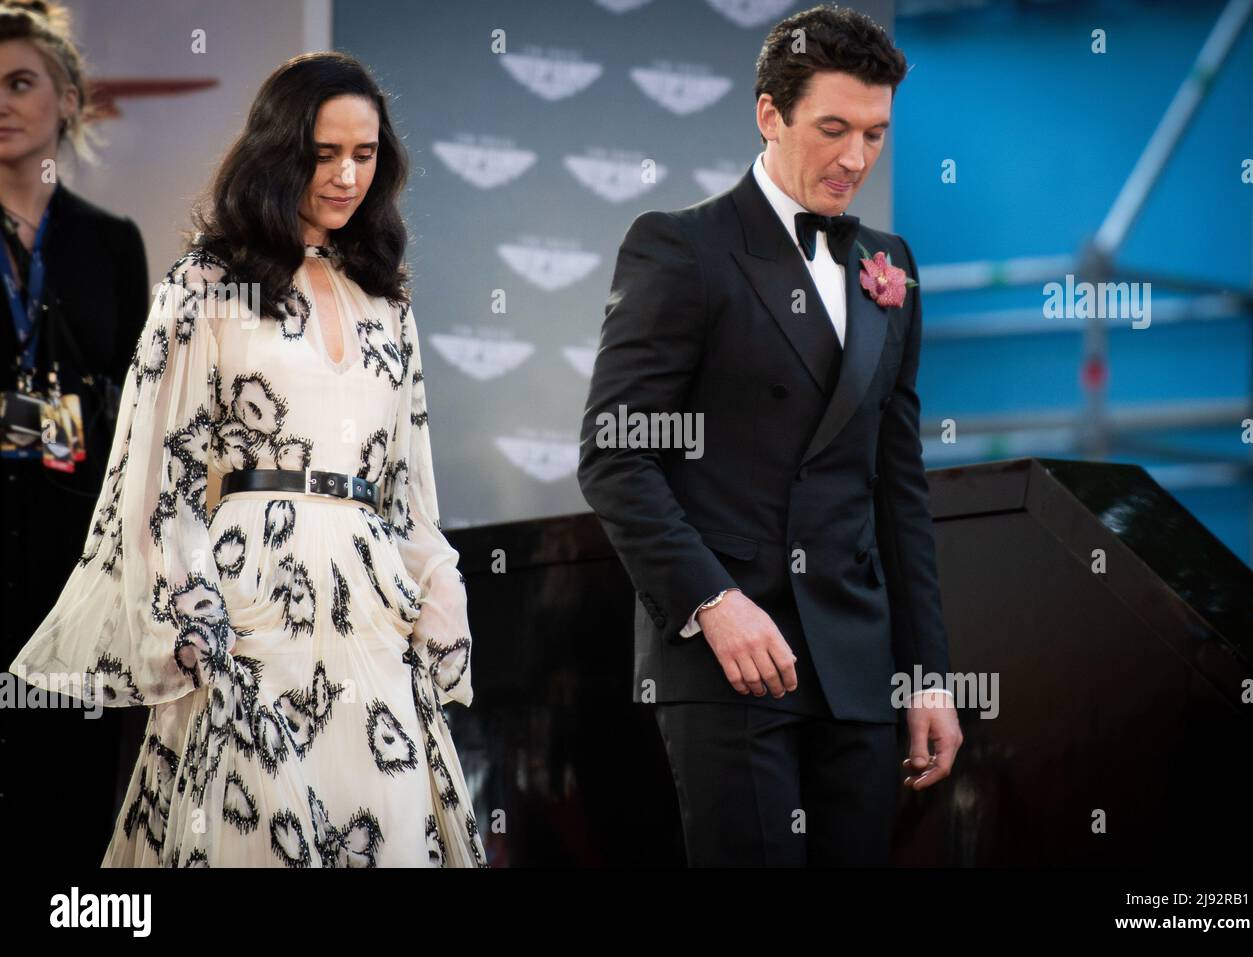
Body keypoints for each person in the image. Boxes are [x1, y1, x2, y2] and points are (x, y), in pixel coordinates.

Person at [7, 51, 486, 867]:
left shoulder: (386, 296)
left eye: (364, 156)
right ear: (276, 151)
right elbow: (158, 472)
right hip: (248, 603)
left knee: (388, 830)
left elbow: (407, 484)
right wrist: (192, 612)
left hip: (371, 612)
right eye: (323, 153)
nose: (345, 176)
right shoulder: (207, 282)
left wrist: (438, 583)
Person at [577, 4, 962, 866]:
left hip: (858, 667)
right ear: (768, 113)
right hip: (730, 664)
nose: (855, 159)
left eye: (875, 133)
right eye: (833, 129)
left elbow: (898, 486)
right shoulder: (681, 247)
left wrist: (927, 674)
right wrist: (713, 604)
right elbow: (614, 455)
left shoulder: (890, 264)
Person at [0, 0, 148, 868]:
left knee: (75, 804)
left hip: (75, 562)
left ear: (68, 99)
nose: (3, 102)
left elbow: (140, 417)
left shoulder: (109, 243)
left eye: (21, 82)